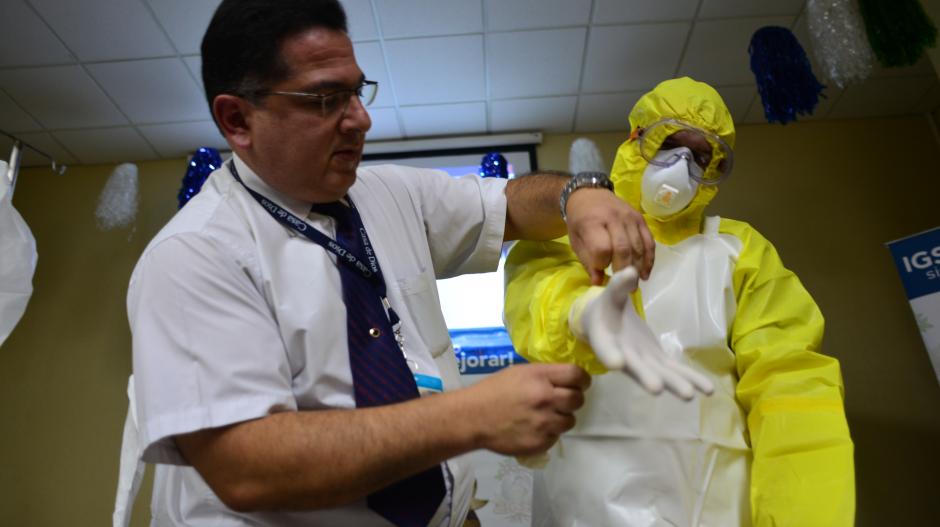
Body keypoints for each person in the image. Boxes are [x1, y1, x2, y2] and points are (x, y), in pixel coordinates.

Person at [124, 1, 681, 525]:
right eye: (325, 100)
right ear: (237, 119)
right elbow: (246, 466)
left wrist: (578, 196)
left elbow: (507, 204)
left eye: (357, 91)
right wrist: (471, 417)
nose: (360, 119)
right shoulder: (193, 256)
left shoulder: (385, 193)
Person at [504, 77, 855, 526]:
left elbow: (789, 384)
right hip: (587, 496)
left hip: (715, 499)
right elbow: (533, 299)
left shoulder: (738, 250)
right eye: (670, 144)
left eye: (703, 157)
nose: (683, 165)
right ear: (637, 140)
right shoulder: (568, 232)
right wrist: (581, 311)